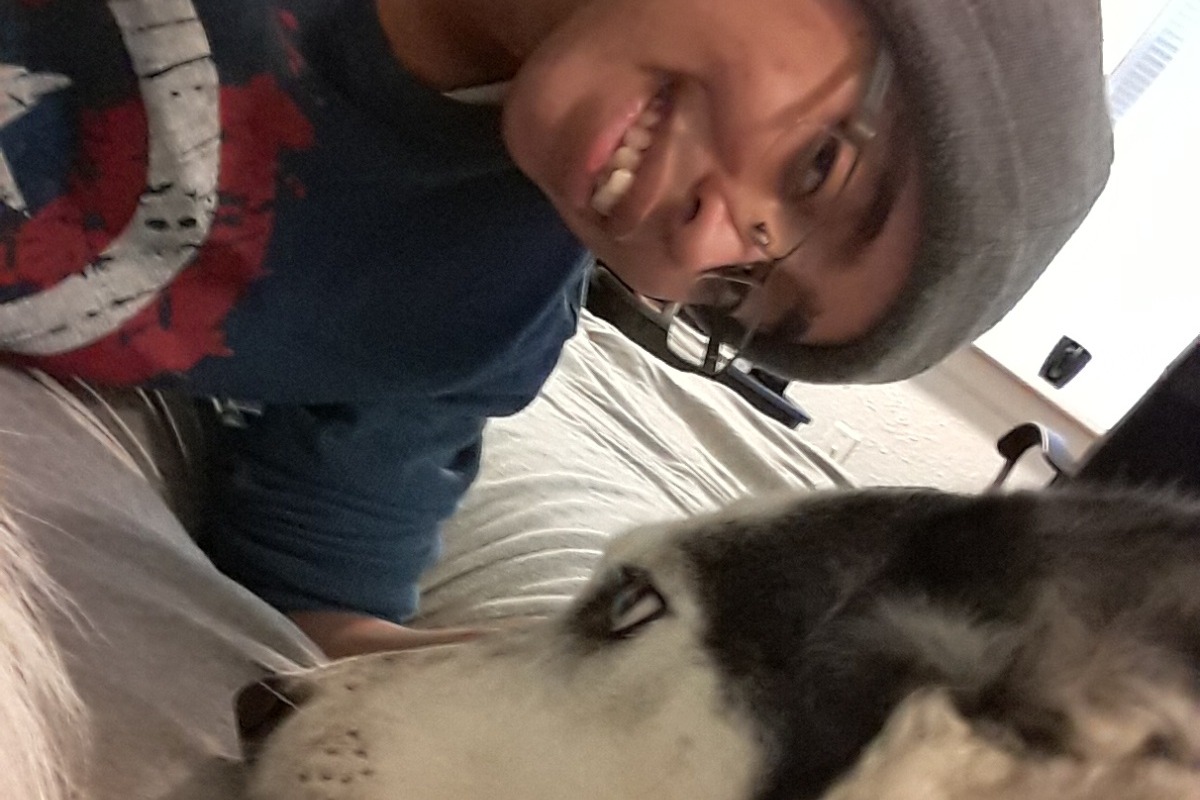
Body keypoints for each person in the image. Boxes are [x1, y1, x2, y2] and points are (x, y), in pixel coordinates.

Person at [0, 0, 1113, 656]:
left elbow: (315, 593)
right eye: (818, 164)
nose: (702, 241)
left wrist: (531, 702)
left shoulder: (469, 320)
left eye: (741, 290)